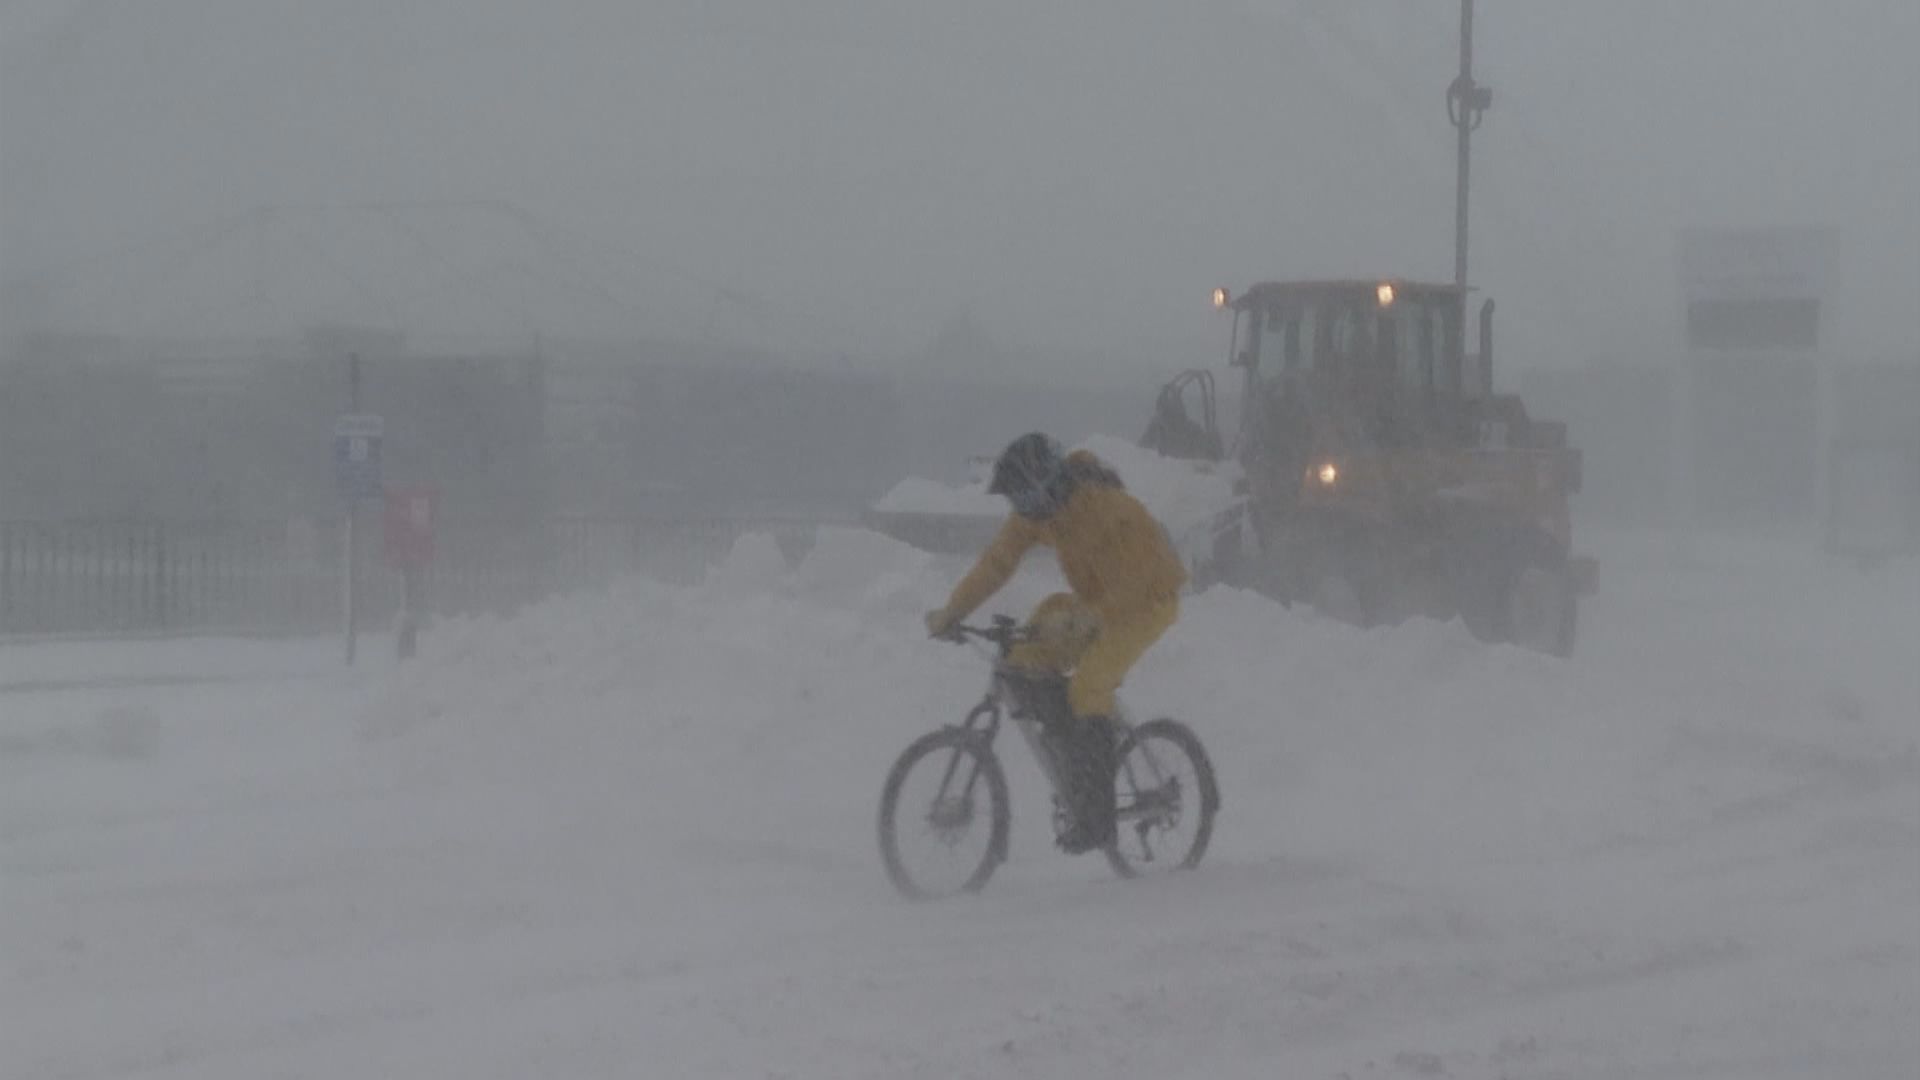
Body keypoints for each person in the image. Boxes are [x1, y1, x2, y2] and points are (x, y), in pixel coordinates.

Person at [924, 433, 1187, 852]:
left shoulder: (1110, 510)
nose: (1020, 511)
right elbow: (997, 564)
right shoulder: (1039, 516)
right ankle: (1073, 740)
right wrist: (952, 612)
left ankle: (1098, 817)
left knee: (1089, 685)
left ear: (1044, 486)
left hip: (1148, 602)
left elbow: (1139, 580)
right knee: (1026, 653)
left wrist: (1088, 619)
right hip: (1098, 601)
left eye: (1023, 499)